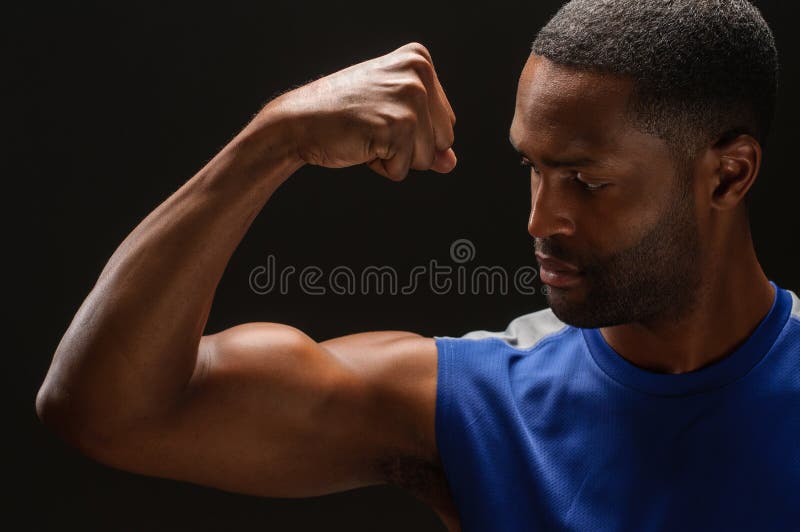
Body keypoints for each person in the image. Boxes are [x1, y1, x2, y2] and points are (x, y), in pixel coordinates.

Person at [36, 0, 799, 530]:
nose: (539, 220)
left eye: (587, 181)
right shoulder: (476, 404)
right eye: (532, 169)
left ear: (728, 176)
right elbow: (108, 411)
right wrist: (271, 142)